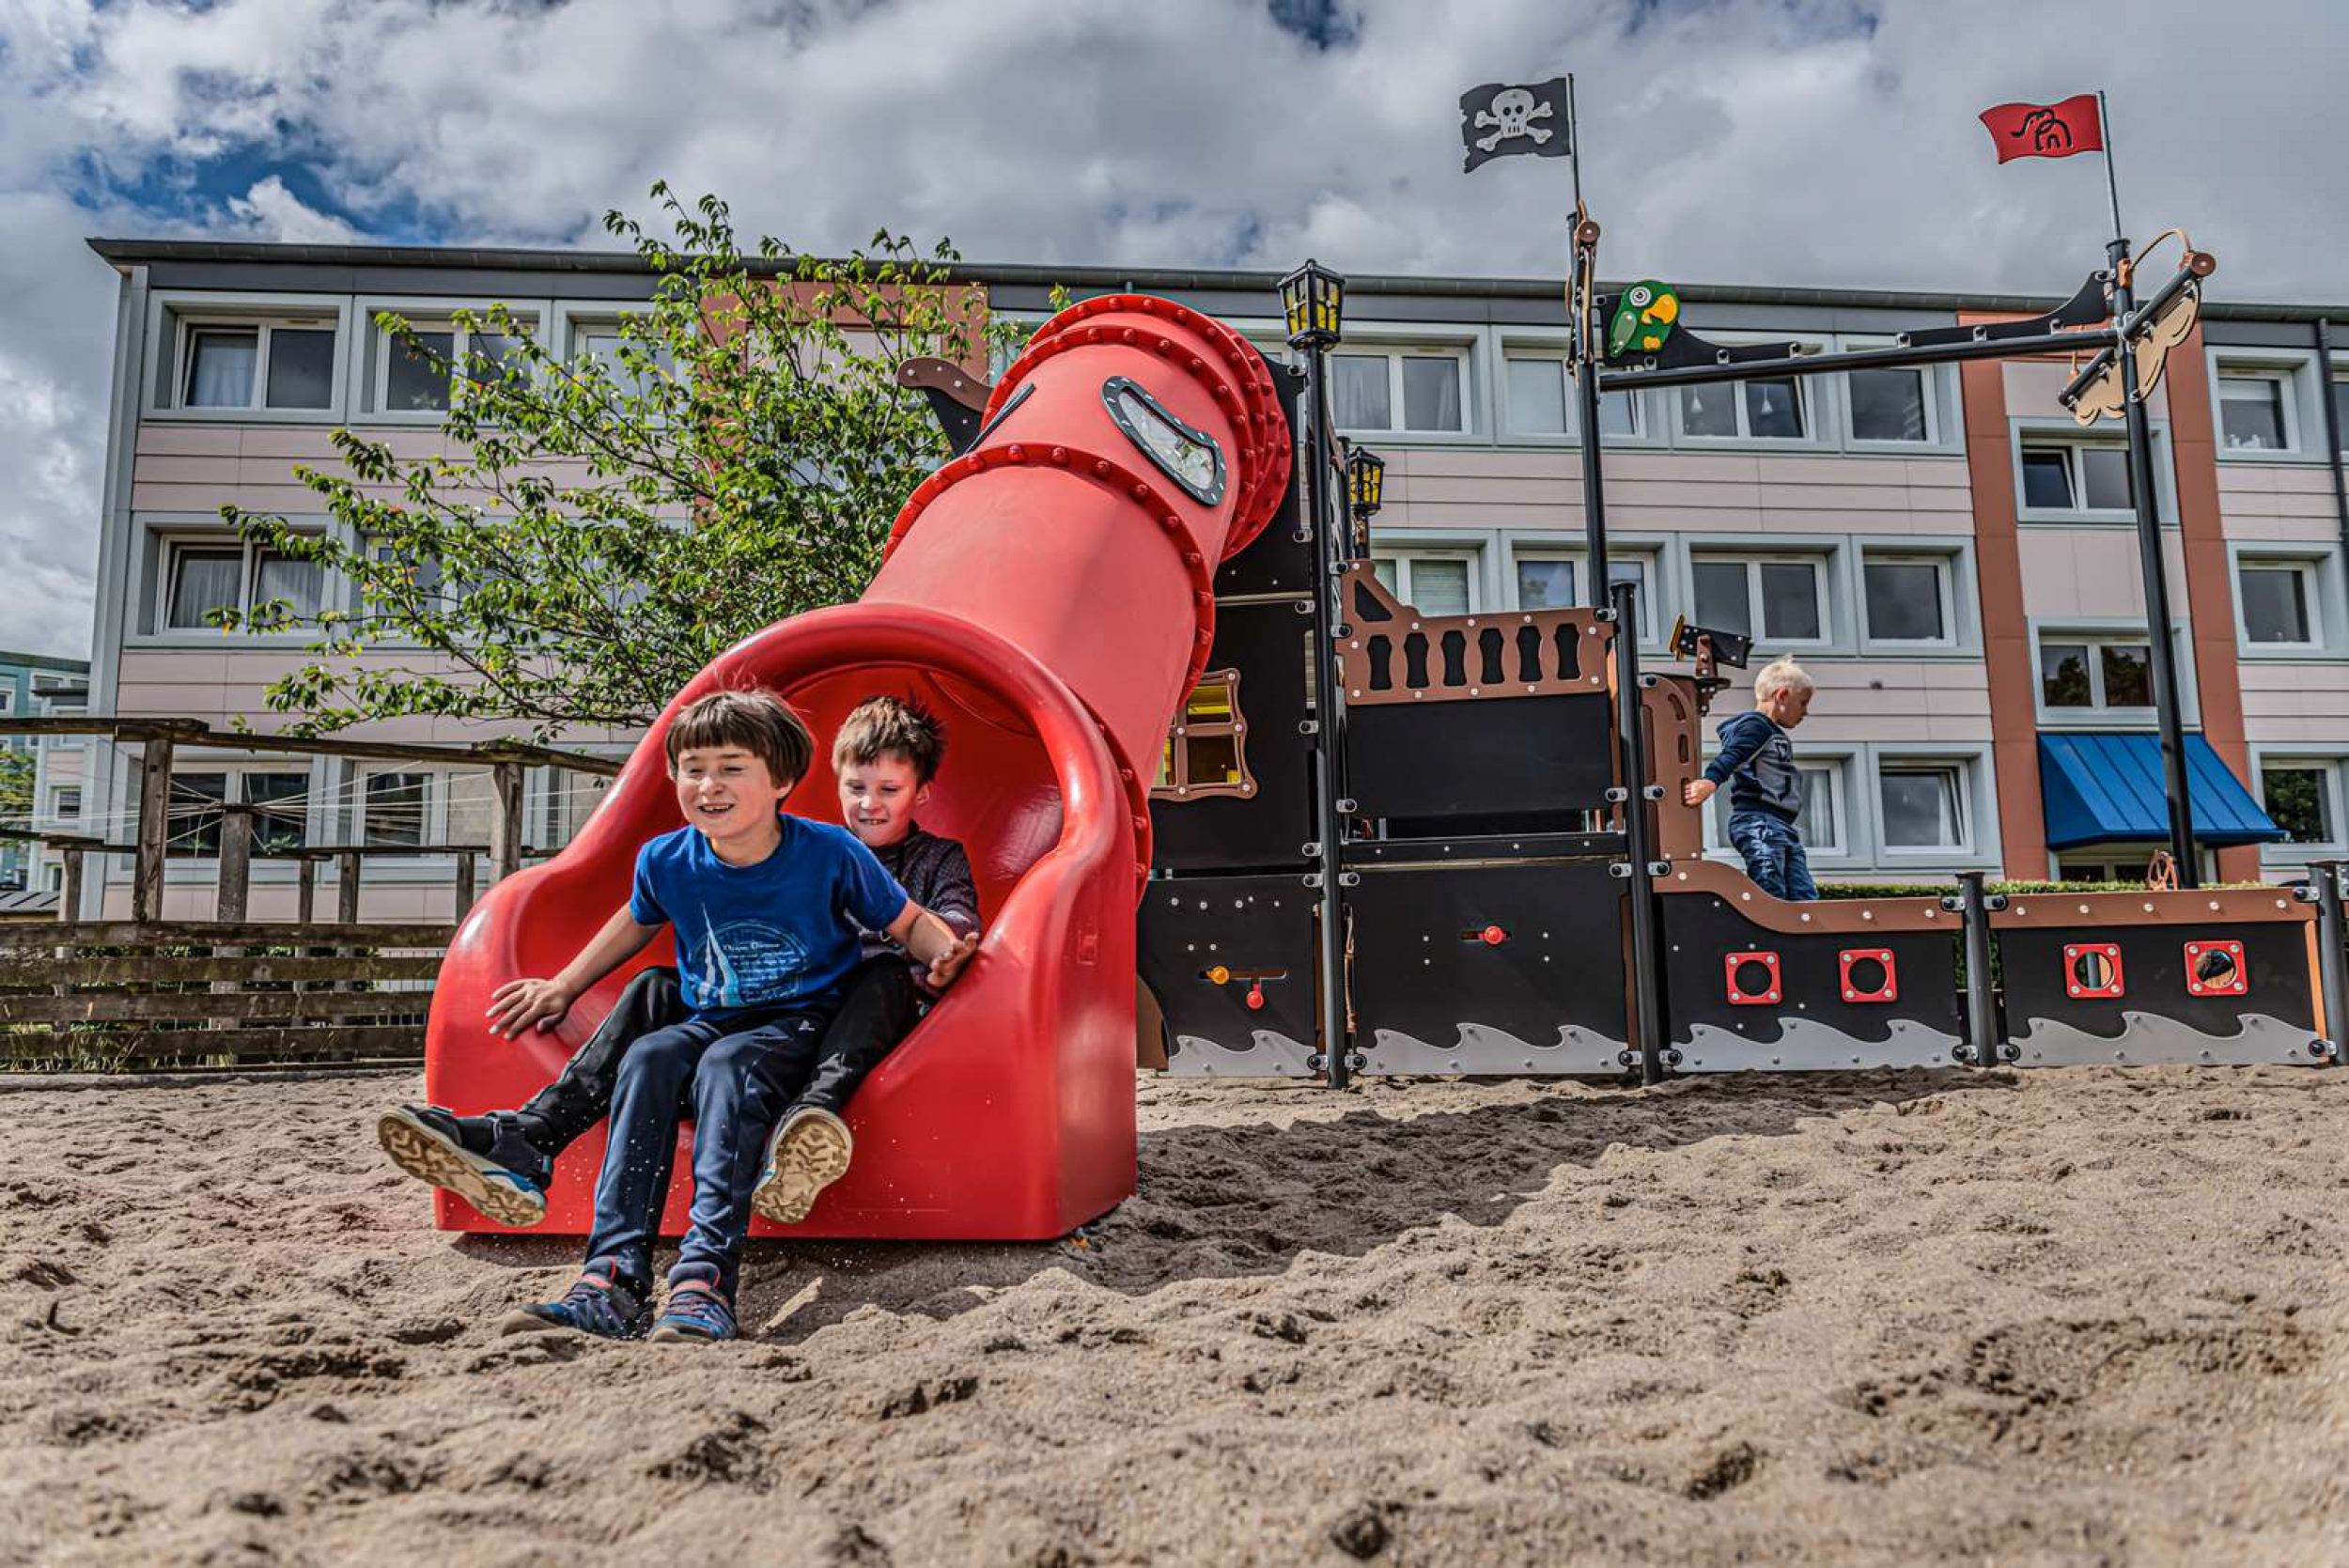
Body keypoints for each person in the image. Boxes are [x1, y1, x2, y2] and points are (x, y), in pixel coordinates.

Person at [408, 689, 974, 1344]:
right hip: (715, 1014)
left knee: (728, 1066)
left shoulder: (828, 852)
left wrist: (950, 955)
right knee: (648, 1054)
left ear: (782, 780)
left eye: (732, 767)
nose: (709, 784)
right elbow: (635, 919)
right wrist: (564, 985)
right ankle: (611, 1283)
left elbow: (904, 920)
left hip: (800, 1020)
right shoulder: (668, 857)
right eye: (693, 767)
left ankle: (703, 1281)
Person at [1683, 657, 1816, 901]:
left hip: (1781, 824)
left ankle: (1804, 933)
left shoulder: (1772, 732)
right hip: (1760, 822)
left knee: (1803, 893)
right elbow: (1733, 754)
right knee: (1769, 886)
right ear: (1782, 695)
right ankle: (1773, 932)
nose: (1806, 712)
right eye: (1803, 703)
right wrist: (1710, 781)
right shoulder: (1756, 727)